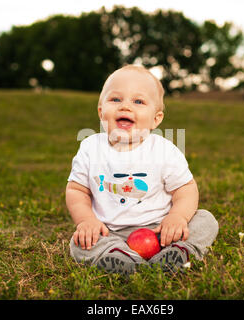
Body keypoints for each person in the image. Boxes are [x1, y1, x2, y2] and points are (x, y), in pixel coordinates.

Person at [66, 65, 219, 274]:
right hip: (110, 233)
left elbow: (186, 190)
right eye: (116, 99)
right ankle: (118, 257)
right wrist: (87, 221)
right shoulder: (90, 147)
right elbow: (77, 190)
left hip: (161, 231)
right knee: (79, 242)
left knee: (205, 220)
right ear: (101, 112)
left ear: (156, 119)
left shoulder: (164, 150)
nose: (125, 107)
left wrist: (177, 218)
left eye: (138, 101)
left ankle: (180, 251)